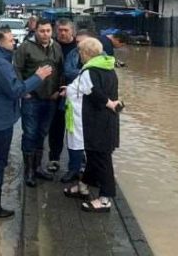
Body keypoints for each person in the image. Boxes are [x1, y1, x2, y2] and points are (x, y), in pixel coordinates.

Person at [0, 28, 53, 218]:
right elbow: (15, 90)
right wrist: (38, 77)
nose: (14, 43)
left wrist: (17, 89)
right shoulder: (1, 64)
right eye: (10, 40)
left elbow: (1, 86)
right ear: (1, 43)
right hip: (0, 119)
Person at [61, 37, 121, 213]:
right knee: (95, 157)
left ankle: (104, 200)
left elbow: (94, 93)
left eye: (80, 52)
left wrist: (107, 102)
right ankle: (83, 186)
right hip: (108, 121)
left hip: (96, 123)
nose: (79, 55)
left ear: (85, 53)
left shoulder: (89, 71)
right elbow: (90, 89)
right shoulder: (108, 67)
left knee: (102, 160)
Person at [14, 18, 63, 187]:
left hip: (50, 99)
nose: (45, 34)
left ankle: (38, 167)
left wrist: (58, 89)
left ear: (52, 31)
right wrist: (23, 90)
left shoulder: (56, 47)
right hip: (31, 99)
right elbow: (16, 70)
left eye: (48, 31)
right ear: (36, 31)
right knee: (30, 133)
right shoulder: (25, 47)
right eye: (42, 31)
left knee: (42, 134)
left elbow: (61, 70)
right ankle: (28, 171)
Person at [60, 28, 98, 183]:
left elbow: (96, 84)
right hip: (73, 105)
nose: (79, 47)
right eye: (77, 43)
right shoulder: (74, 55)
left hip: (91, 108)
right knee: (73, 138)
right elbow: (68, 72)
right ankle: (74, 168)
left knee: (91, 140)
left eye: (82, 44)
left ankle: (91, 171)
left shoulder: (101, 62)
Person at [46, 18, 77, 174]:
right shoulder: (51, 46)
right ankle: (54, 158)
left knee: (74, 129)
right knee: (55, 127)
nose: (63, 33)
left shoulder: (79, 47)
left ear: (72, 31)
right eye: (60, 30)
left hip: (75, 95)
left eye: (66, 30)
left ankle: (77, 162)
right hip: (55, 94)